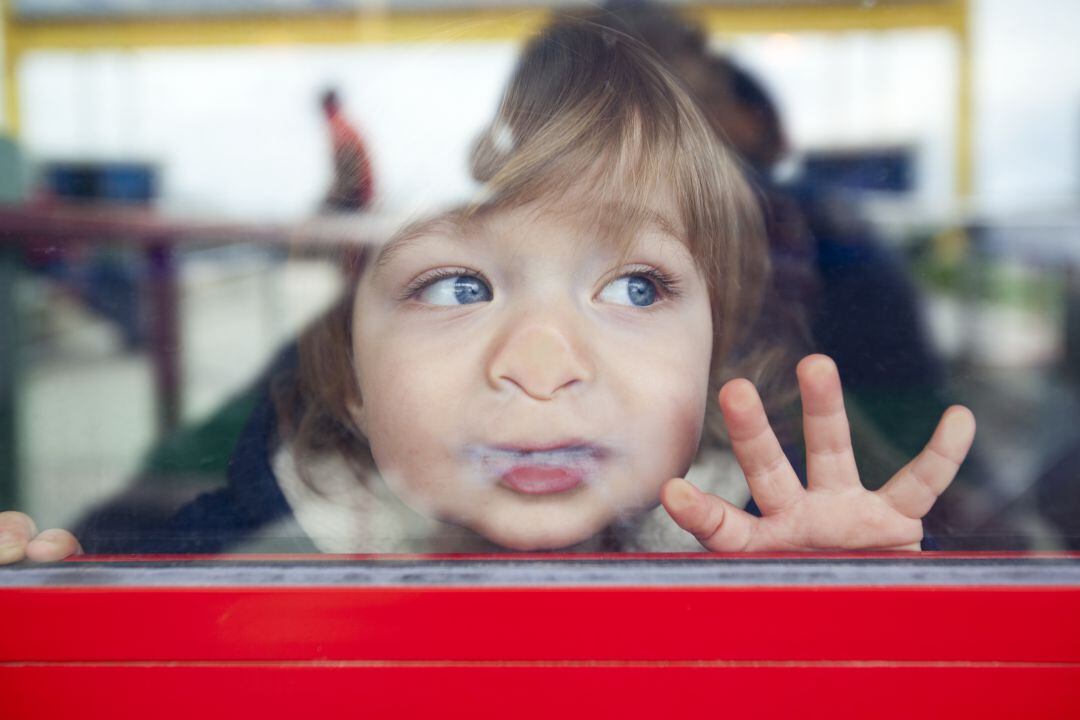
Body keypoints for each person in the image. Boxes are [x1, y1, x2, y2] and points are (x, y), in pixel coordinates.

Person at [0, 18, 975, 561]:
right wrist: (71, 592)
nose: (542, 368)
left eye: (637, 289)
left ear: (715, 354)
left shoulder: (754, 549)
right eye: (459, 286)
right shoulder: (221, 559)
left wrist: (831, 604)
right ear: (344, 375)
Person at [321, 88, 376, 212]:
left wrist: (334, 197)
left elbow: (349, 176)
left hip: (357, 198)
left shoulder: (341, 130)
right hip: (360, 194)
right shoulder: (344, 126)